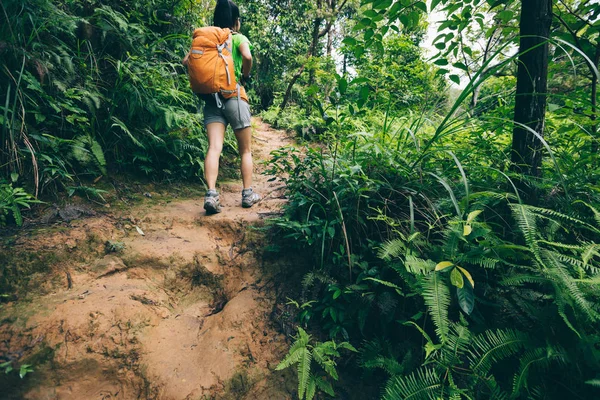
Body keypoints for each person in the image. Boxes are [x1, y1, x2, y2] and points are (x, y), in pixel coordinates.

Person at [185, 0, 260, 214]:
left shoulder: (209, 39)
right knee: (245, 150)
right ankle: (247, 194)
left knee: (214, 148)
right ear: (236, 21)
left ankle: (211, 194)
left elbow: (186, 61)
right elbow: (247, 56)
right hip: (234, 96)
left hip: (212, 100)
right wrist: (245, 75)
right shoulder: (237, 38)